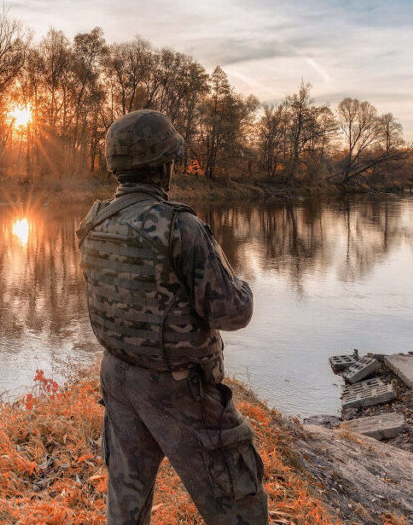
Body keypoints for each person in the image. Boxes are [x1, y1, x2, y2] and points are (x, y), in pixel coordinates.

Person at [77, 109, 268, 525]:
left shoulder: (94, 222)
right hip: (179, 388)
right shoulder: (180, 226)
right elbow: (231, 312)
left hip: (118, 376)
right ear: (163, 166)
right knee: (240, 501)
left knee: (126, 503)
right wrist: (246, 288)